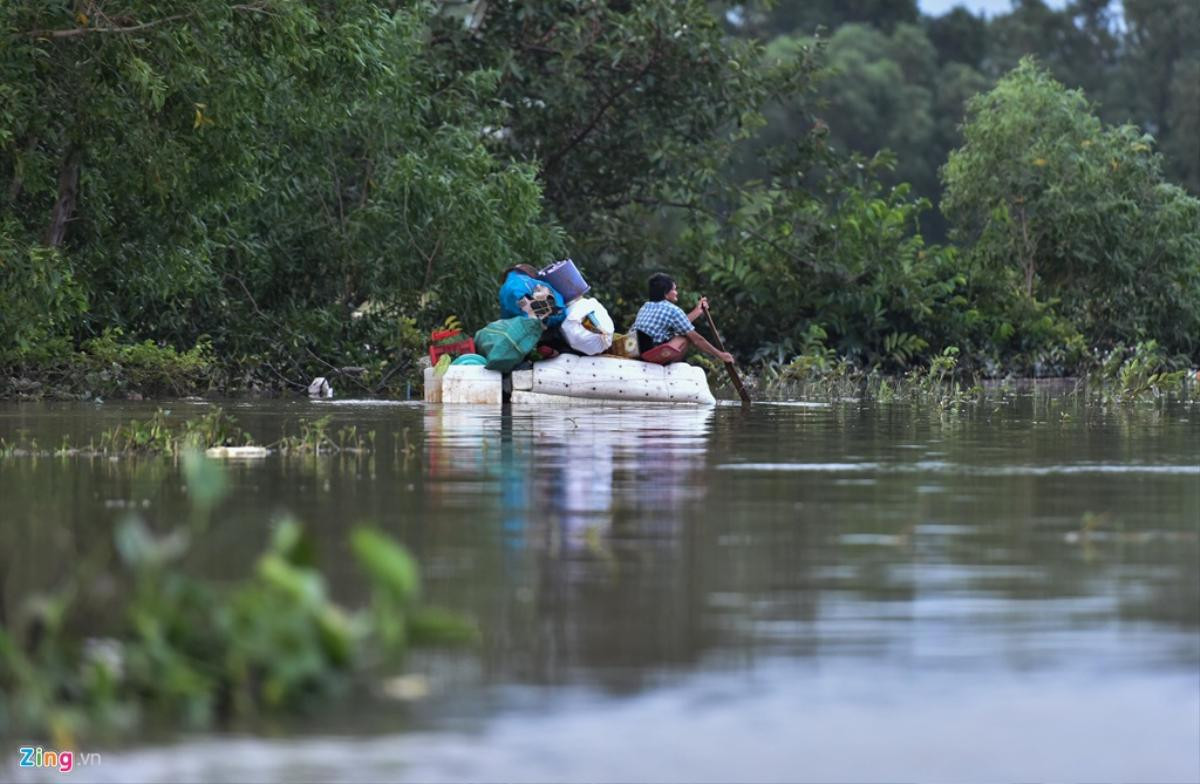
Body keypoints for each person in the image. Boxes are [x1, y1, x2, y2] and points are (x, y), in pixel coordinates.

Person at [631, 272, 734, 365]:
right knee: (685, 337)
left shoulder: (645, 306)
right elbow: (697, 340)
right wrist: (721, 355)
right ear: (666, 293)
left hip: (632, 350)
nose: (676, 292)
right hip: (649, 356)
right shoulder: (673, 310)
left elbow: (682, 323)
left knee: (679, 332)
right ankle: (668, 368)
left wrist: (698, 311)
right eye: (674, 289)